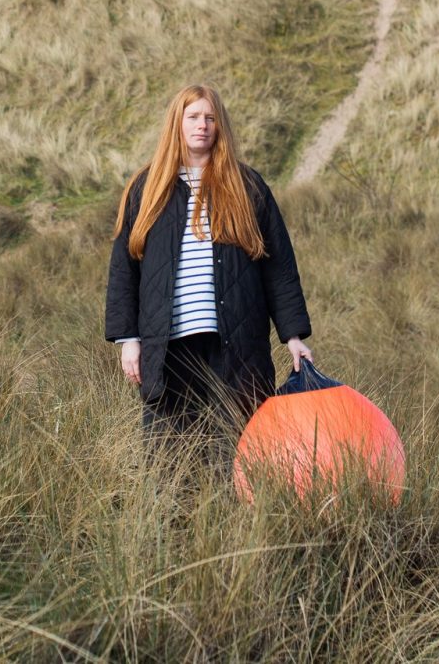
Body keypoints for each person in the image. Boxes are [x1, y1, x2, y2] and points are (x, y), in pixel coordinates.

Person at [105, 84, 313, 456]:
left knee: (236, 452)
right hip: (167, 348)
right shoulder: (146, 188)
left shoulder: (247, 186)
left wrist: (293, 335)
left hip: (235, 345)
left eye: (210, 117)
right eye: (193, 117)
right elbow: (124, 269)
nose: (202, 125)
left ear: (220, 126)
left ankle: (233, 517)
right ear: (177, 123)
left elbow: (279, 266)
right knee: (167, 456)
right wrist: (128, 340)